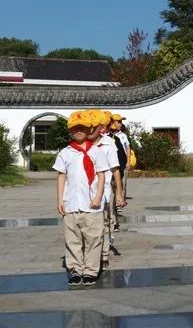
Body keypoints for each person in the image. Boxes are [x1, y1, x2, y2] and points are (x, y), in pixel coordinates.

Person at [53, 110, 109, 286]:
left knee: (93, 238)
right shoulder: (65, 152)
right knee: (72, 239)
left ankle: (91, 270)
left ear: (89, 129)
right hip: (72, 204)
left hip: (91, 204)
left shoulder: (96, 151)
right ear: (70, 131)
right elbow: (62, 176)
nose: (79, 131)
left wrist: (98, 197)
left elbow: (101, 176)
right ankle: (75, 269)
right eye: (75, 128)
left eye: (82, 128)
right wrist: (60, 199)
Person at [88, 110, 125, 272]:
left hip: (104, 192)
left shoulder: (108, 143)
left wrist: (119, 193)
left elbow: (115, 169)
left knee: (104, 223)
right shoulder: (81, 144)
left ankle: (103, 255)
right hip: (85, 194)